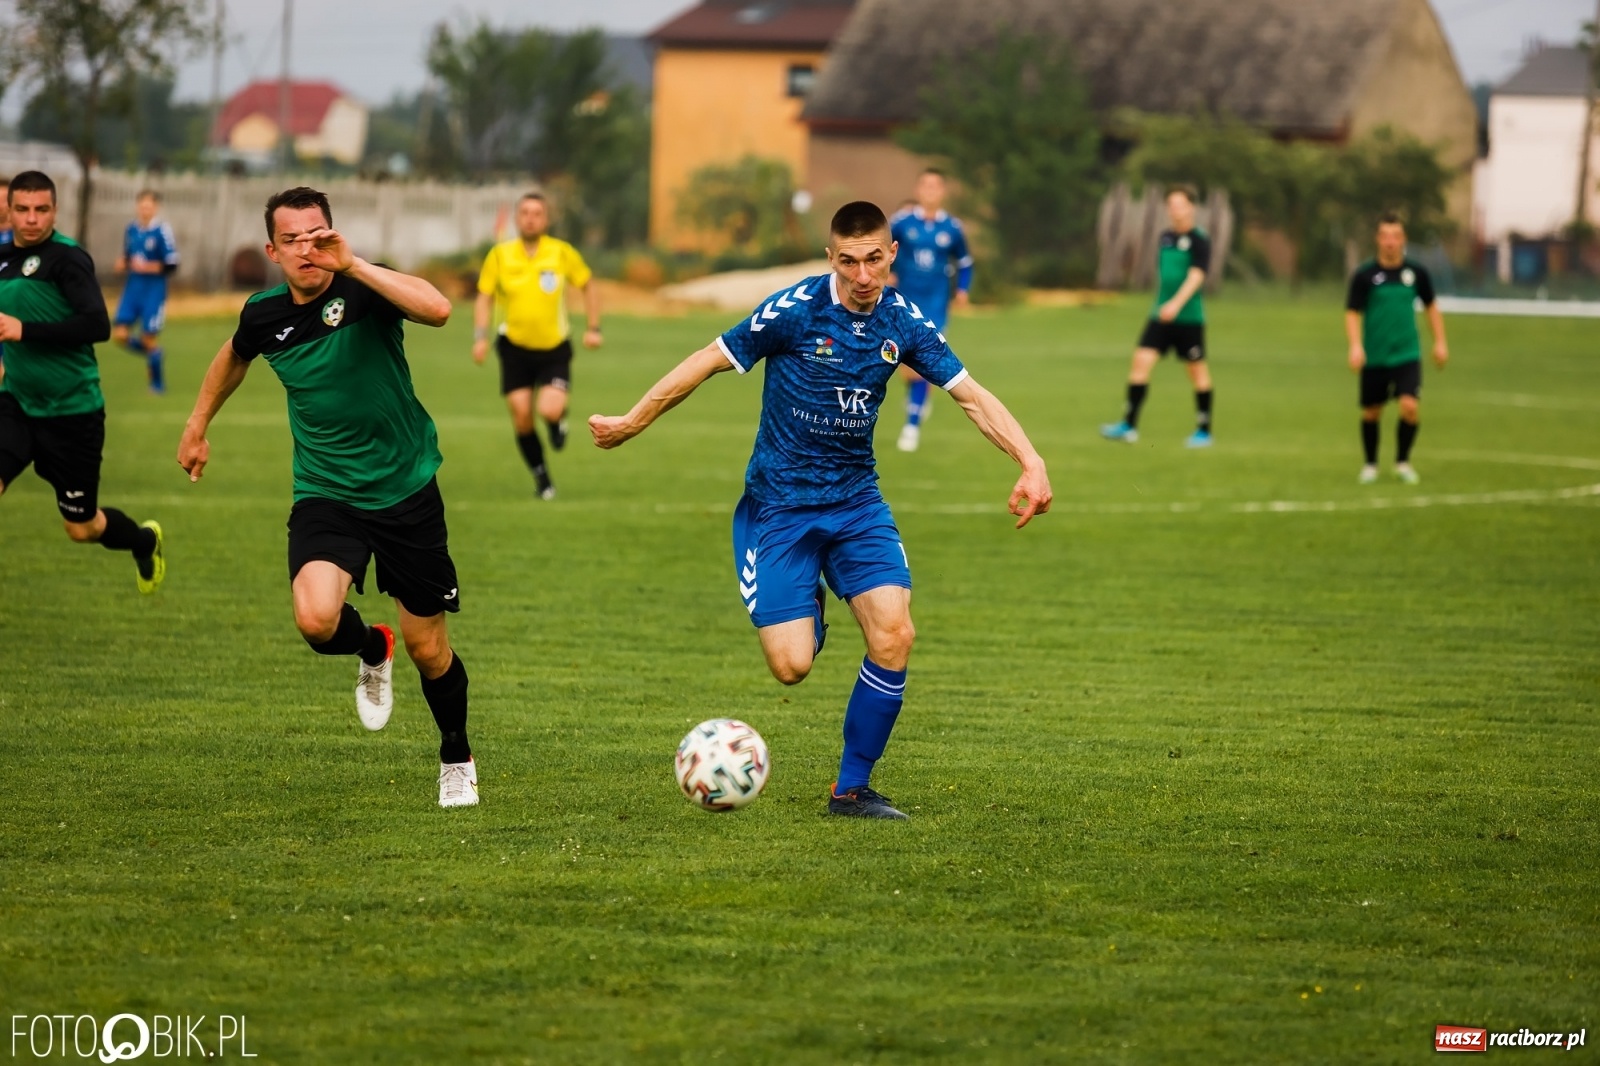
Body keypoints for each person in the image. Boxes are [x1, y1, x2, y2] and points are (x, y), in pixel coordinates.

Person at [590, 201, 1052, 820]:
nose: (863, 276)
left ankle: (851, 790)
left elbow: (970, 396)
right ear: (831, 258)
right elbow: (707, 360)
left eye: (874, 260)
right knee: (792, 667)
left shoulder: (904, 320)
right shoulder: (794, 311)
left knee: (895, 634)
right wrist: (631, 421)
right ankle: (807, 597)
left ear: (891, 254)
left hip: (857, 501)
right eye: (848, 262)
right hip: (780, 507)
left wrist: (1030, 459)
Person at [177, 187, 479, 808]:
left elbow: (439, 309)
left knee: (429, 649)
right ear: (272, 251)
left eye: (316, 236)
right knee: (316, 620)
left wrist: (357, 264)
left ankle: (456, 753)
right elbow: (233, 357)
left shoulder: (364, 288)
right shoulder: (263, 315)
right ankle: (371, 645)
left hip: (404, 488)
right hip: (326, 491)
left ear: (333, 236)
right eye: (291, 240)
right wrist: (197, 424)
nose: (305, 249)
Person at [0, 171, 165, 592]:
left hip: (72, 414)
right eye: (22, 209)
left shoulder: (67, 259)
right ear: (9, 211)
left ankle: (144, 542)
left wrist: (24, 330)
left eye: (41, 209)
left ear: (55, 211)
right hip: (16, 404)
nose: (31, 218)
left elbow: (96, 325)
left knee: (81, 527)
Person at [472, 192, 602, 500]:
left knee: (548, 409)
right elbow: (484, 297)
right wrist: (480, 337)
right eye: (525, 213)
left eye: (537, 213)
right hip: (514, 348)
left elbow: (587, 284)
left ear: (546, 220)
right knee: (522, 417)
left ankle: (557, 422)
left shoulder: (561, 252)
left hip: (554, 348)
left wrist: (593, 328)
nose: (530, 219)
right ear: (517, 218)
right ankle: (542, 478)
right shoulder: (500, 255)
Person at [1100, 185, 1215, 448]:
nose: (1175, 210)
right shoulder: (1166, 237)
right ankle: (1128, 426)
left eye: (1180, 205)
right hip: (1160, 315)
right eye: (1171, 205)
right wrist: (1163, 304)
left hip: (1188, 318)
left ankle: (1203, 430)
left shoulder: (1199, 240)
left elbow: (1196, 276)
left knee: (1197, 371)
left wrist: (1175, 304)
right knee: (1140, 361)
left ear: (1191, 207)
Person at [1345, 212, 1448, 484]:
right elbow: (1352, 312)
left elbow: (1431, 307)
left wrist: (1440, 342)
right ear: (1378, 239)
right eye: (1385, 236)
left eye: (1396, 236)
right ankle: (1370, 464)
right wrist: (1355, 346)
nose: (1390, 242)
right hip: (1375, 354)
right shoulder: (1365, 275)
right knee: (1371, 411)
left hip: (1407, 353)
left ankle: (1403, 462)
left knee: (1409, 406)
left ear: (1403, 239)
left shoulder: (1416, 273)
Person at [888, 169, 972, 452]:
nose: (930, 191)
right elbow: (882, 250)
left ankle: (911, 425)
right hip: (904, 301)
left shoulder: (952, 228)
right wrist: (887, 272)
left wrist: (962, 289)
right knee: (904, 364)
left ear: (942, 192)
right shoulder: (901, 223)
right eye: (926, 186)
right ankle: (917, 398)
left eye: (936, 186)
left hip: (935, 304)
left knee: (923, 361)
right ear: (918, 190)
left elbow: (965, 262)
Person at [112, 189, 180, 394]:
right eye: (142, 206)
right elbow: (129, 256)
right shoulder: (131, 229)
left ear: (156, 208)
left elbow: (172, 264)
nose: (145, 210)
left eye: (149, 207)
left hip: (153, 291)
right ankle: (155, 354)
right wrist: (123, 263)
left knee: (148, 337)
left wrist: (148, 267)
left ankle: (157, 385)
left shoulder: (162, 231)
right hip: (133, 288)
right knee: (120, 335)